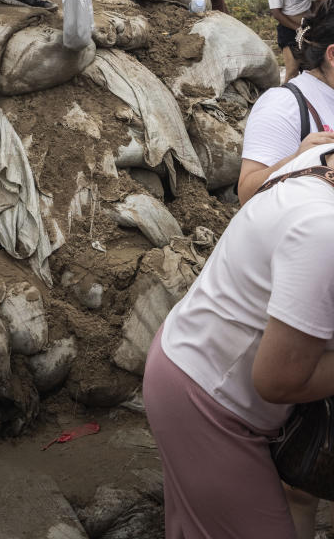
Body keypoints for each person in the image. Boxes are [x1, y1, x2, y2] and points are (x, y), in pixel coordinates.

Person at [143, 83, 334, 539]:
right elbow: (280, 379)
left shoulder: (319, 155)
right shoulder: (321, 231)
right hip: (209, 399)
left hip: (190, 358)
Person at [235, 1, 334, 539]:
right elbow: (248, 191)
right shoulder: (286, 103)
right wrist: (299, 158)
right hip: (299, 295)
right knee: (307, 455)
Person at [268, 0, 316, 84]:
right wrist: (297, 28)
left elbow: (311, 4)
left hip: (309, 29)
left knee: (312, 68)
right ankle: (283, 99)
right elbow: (276, 13)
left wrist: (312, 24)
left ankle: (306, 100)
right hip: (289, 31)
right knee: (292, 70)